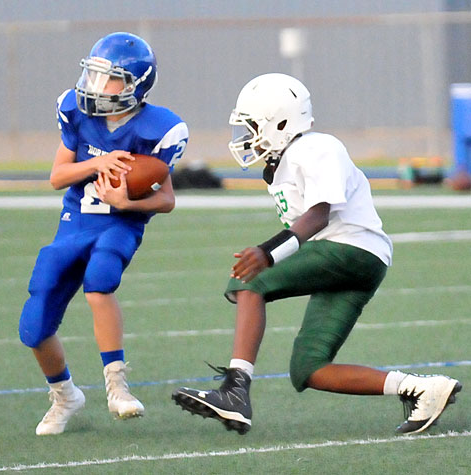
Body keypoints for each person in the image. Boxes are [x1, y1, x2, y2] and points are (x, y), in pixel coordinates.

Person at [172, 73, 461, 435]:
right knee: (308, 369)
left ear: (280, 122)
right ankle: (421, 388)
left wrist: (268, 252)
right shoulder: (283, 165)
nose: (246, 137)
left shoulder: (317, 147)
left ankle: (235, 390)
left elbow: (319, 213)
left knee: (250, 279)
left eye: (252, 127)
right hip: (347, 259)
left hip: (352, 248)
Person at [19, 32, 188, 435]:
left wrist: (130, 204)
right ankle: (65, 395)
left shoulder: (158, 128)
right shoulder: (76, 111)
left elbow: (166, 199)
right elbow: (58, 176)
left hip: (119, 223)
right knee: (34, 323)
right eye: (93, 74)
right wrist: (99, 164)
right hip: (75, 223)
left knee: (100, 281)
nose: (95, 86)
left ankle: (117, 385)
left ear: (134, 85)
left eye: (107, 77)